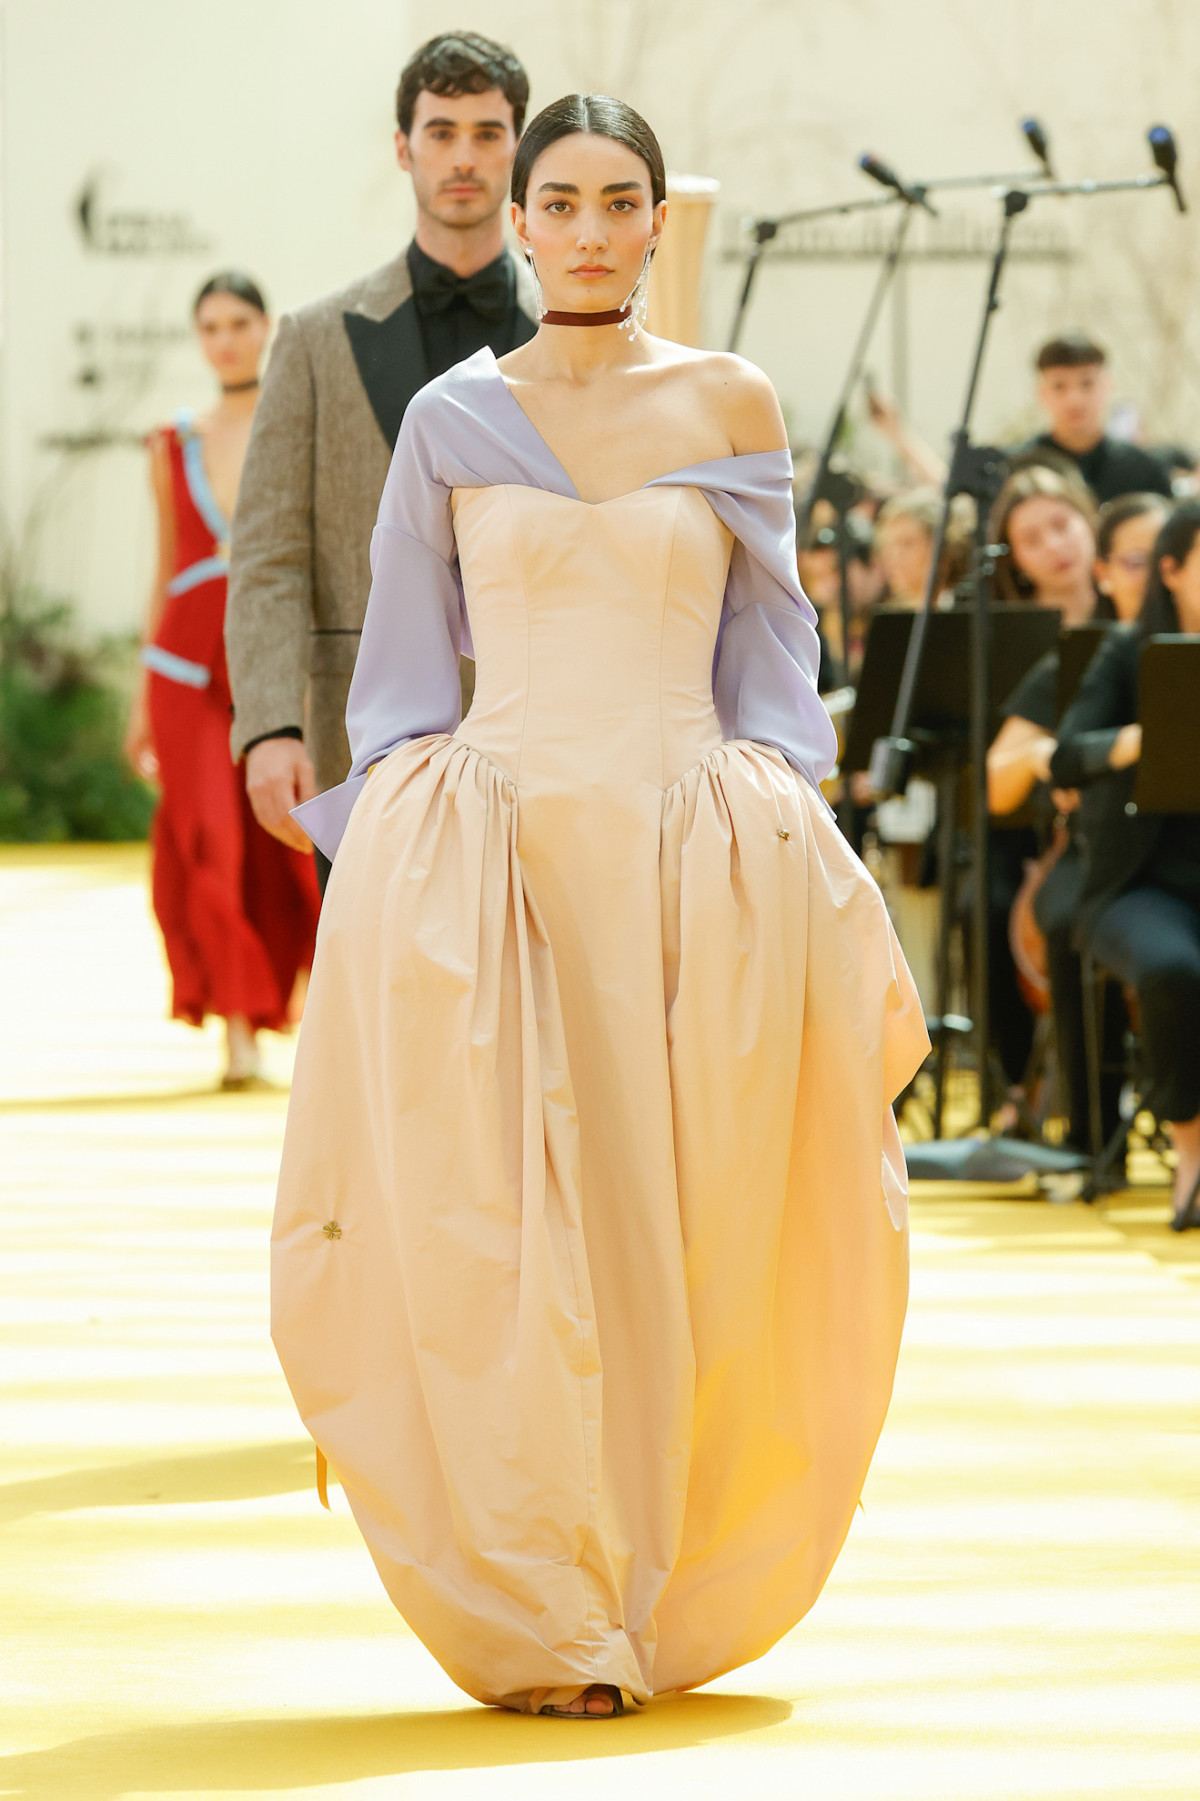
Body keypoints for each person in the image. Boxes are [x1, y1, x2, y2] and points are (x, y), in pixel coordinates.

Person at [270, 95, 928, 1718]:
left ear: (653, 221)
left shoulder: (732, 399)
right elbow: (408, 675)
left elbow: (772, 649)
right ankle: (554, 1601)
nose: (584, 229)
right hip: (502, 866)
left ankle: (663, 1578)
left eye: (615, 201)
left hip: (692, 864)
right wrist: (395, 844)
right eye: (555, 201)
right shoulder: (450, 417)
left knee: (693, 1220)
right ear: (519, 220)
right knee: (507, 1233)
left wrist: (783, 817)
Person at [225, 32, 537, 887]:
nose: (463, 157)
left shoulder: (575, 334)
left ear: (519, 147)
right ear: (404, 148)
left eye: (487, 132)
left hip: (543, 742)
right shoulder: (314, 339)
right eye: (441, 132)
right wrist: (270, 725)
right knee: (374, 977)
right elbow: (268, 555)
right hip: (359, 743)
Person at [124, 274, 321, 1088]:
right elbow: (165, 566)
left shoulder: (301, 422)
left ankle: (305, 1014)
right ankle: (236, 1034)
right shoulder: (171, 443)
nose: (226, 340)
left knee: (293, 839)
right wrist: (139, 701)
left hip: (276, 660)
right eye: (210, 327)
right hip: (183, 669)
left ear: (266, 327)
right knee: (207, 836)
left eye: (240, 322)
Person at [986, 487, 1168, 1155]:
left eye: (1166, 556)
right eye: (1136, 560)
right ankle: (1092, 1132)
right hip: (1099, 851)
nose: (1155, 574)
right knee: (1065, 919)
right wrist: (1053, 759)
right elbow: (997, 781)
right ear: (1107, 571)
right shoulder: (1083, 658)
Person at [1051, 500, 1200, 1230]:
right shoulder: (1126, 652)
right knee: (1173, 970)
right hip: (1135, 887)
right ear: (1171, 570)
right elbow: (1065, 756)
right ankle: (1191, 1149)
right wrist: (1152, 733)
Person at [983, 465, 1102, 1135]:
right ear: (1016, 560)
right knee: (990, 901)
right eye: (1033, 538)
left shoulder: (1141, 615)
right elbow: (997, 778)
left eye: (1063, 524)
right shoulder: (1016, 643)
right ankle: (1020, 1084)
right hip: (1031, 832)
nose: (1055, 544)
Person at [1013, 334, 1172, 506]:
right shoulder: (1017, 470)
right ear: (1041, 392)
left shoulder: (1142, 469)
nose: (1074, 400)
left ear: (1107, 386)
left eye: (1087, 384)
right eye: (1059, 386)